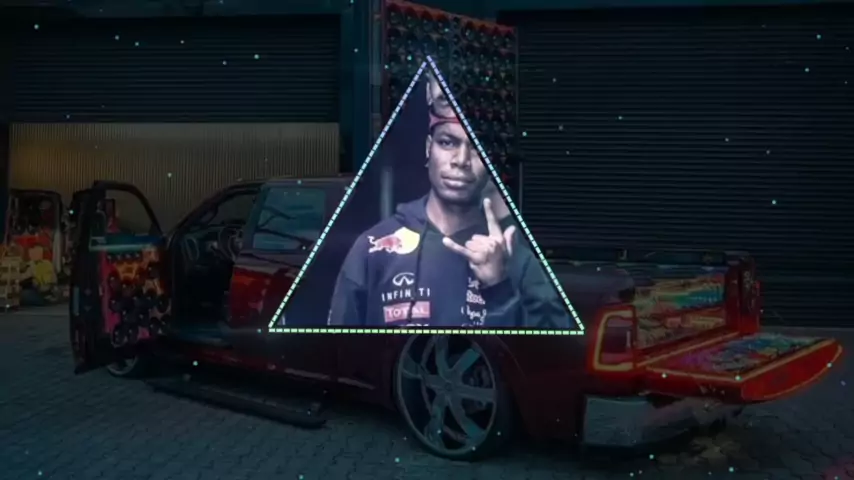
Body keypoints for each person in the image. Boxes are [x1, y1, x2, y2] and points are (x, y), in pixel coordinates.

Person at [327, 106, 572, 329]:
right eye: (447, 143)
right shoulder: (373, 249)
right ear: (428, 148)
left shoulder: (517, 259)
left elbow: (553, 355)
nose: (461, 160)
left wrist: (498, 287)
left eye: (477, 148)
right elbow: (335, 352)